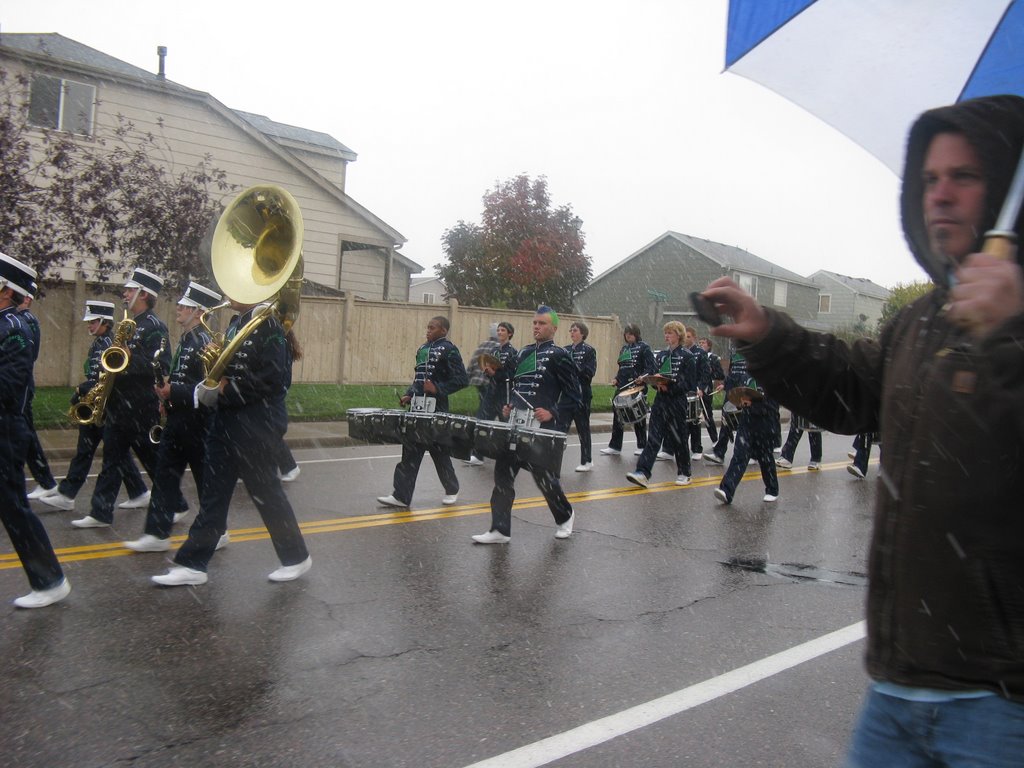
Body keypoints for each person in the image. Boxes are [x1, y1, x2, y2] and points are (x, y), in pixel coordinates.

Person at [699, 95, 1024, 766]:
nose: (940, 195)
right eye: (929, 179)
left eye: (963, 177)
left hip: (1002, 705)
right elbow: (852, 389)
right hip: (899, 684)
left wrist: (1006, 335)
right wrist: (768, 334)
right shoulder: (922, 319)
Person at [152, 295, 312, 586]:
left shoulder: (269, 325)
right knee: (213, 497)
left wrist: (227, 388)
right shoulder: (236, 323)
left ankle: (296, 557)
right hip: (224, 423)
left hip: (256, 426)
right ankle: (193, 565)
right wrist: (208, 381)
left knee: (268, 496)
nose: (227, 296)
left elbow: (275, 380)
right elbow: (224, 376)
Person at [124, 282, 221, 552]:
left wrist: (173, 391)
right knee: (165, 475)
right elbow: (184, 380)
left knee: (205, 479)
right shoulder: (188, 338)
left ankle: (217, 529)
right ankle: (156, 533)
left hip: (197, 424)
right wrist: (167, 398)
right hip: (179, 420)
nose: (178, 308)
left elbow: (209, 389)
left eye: (185, 305)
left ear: (199, 311)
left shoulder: (204, 342)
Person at [72, 267, 172, 529]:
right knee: (112, 458)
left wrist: (127, 358)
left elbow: (161, 365)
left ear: (144, 294)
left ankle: (176, 503)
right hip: (120, 402)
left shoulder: (155, 327)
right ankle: (101, 513)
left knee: (151, 458)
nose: (125, 294)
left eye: (130, 290)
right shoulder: (131, 324)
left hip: (140, 405)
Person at [472, 305, 580, 544]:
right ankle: (500, 530)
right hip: (515, 424)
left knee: (544, 478)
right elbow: (515, 385)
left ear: (553, 327)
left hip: (540, 429)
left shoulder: (560, 355)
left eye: (541, 323)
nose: (536, 327)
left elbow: (574, 395)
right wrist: (509, 404)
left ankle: (565, 515)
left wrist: (552, 412)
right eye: (534, 323)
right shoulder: (523, 353)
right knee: (502, 474)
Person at [0, 252, 70, 608]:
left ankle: (50, 579)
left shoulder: (15, 328)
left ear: (6, 290)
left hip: (5, 429)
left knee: (12, 507)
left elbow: (8, 386)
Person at [40, 301, 149, 512]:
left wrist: (83, 389)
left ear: (104, 322)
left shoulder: (108, 343)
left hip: (104, 405)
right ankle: (138, 491)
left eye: (93, 322)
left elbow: (105, 377)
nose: (89, 326)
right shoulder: (99, 342)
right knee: (105, 452)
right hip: (95, 403)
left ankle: (69, 494)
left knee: (98, 451)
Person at [377, 316, 468, 508]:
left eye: (432, 328)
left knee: (439, 452)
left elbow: (462, 379)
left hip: (437, 408)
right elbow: (418, 380)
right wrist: (409, 394)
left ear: (443, 330)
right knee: (410, 451)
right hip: (417, 408)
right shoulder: (422, 349)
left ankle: (452, 488)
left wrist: (438, 388)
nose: (428, 331)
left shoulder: (449, 350)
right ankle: (401, 496)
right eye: (427, 327)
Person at [625, 321, 696, 488]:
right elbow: (655, 375)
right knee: (654, 438)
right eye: (666, 333)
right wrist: (654, 382)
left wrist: (670, 386)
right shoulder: (662, 355)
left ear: (679, 335)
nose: (667, 336)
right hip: (660, 402)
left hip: (677, 402)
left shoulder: (687, 357)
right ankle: (643, 472)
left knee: (679, 439)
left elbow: (689, 384)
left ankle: (685, 473)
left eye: (670, 333)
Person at [17, 289, 60, 501]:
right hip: (17, 382)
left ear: (27, 298)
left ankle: (46, 481)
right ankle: (45, 480)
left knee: (25, 433)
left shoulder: (27, 320)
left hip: (21, 384)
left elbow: (28, 355)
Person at [712, 377, 779, 505]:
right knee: (739, 457)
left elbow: (773, 406)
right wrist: (740, 403)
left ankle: (772, 490)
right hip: (746, 425)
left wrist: (754, 404)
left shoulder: (771, 379)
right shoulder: (746, 377)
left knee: (765, 459)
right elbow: (739, 397)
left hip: (765, 425)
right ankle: (727, 490)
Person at [601, 324, 655, 456]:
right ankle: (615, 446)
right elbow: (622, 369)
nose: (628, 335)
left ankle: (642, 446)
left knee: (638, 415)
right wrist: (616, 379)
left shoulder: (644, 348)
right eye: (626, 333)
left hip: (637, 386)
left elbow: (652, 367)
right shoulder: (624, 349)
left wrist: (642, 377)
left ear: (636, 333)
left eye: (630, 333)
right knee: (618, 415)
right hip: (622, 387)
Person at [464, 324, 502, 466]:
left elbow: (474, 361)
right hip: (490, 384)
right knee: (488, 415)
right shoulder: (498, 348)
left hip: (479, 383)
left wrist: (467, 378)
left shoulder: (483, 345)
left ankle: (479, 451)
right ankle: (483, 451)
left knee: (486, 414)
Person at [702, 346, 747, 465]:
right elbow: (732, 372)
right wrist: (725, 385)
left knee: (747, 423)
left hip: (746, 391)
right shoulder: (735, 351)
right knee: (726, 420)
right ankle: (719, 453)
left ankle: (753, 453)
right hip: (732, 391)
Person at [565, 320, 597, 472]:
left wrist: (574, 367)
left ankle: (587, 460)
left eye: (575, 330)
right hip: (566, 394)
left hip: (582, 394)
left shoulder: (589, 351)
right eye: (571, 330)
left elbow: (589, 373)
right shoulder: (565, 350)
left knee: (582, 428)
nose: (572, 332)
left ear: (582, 333)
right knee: (560, 427)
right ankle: (552, 460)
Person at [273, 329, 302, 483]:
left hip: (274, 397)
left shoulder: (280, 342)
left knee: (270, 435)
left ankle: (290, 467)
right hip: (274, 395)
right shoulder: (280, 341)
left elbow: (283, 376)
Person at [684, 327, 712, 461]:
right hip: (683, 390)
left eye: (688, 336)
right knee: (682, 421)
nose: (686, 339)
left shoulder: (700, 353)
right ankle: (677, 447)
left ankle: (697, 448)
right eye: (684, 336)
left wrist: (701, 388)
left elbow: (706, 372)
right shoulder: (681, 352)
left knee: (694, 420)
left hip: (695, 391)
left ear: (694, 337)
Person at [698, 337, 724, 446]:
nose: (700, 345)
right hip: (694, 388)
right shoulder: (695, 356)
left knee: (707, 415)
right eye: (699, 343)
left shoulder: (713, 358)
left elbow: (720, 375)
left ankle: (714, 439)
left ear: (709, 346)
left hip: (706, 390)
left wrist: (711, 371)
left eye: (703, 343)